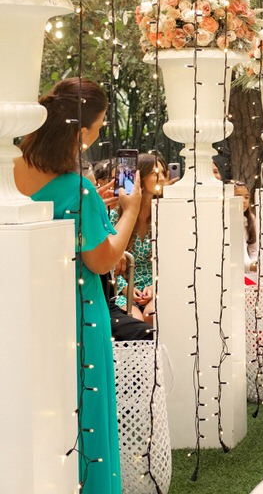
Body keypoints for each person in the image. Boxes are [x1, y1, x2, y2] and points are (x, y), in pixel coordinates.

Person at [15, 78, 142, 493]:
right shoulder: (78, 188)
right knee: (85, 413)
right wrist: (128, 212)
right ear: (81, 130)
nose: (100, 132)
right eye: (100, 124)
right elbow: (103, 258)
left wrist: (93, 208)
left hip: (24, 311)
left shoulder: (12, 172)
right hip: (77, 316)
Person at [109, 153, 167, 326]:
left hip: (156, 287)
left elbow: (171, 261)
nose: (162, 179)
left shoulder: (164, 217)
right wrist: (125, 288)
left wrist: (155, 285)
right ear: (140, 177)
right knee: (135, 321)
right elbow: (107, 263)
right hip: (123, 289)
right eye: (156, 173)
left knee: (152, 316)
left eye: (164, 173)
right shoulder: (115, 217)